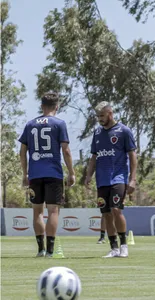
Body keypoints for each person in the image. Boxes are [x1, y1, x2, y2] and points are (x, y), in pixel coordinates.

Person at [18, 92, 76, 258]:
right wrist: (71, 172)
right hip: (53, 174)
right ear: (57, 106)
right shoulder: (59, 123)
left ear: (42, 106)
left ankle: (40, 250)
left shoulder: (30, 125)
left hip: (35, 174)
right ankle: (50, 251)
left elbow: (22, 152)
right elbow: (66, 150)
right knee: (53, 211)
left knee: (37, 212)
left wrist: (25, 174)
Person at [85, 102, 137, 258]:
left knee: (116, 209)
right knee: (106, 213)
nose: (99, 119)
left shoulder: (124, 131)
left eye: (102, 116)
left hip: (118, 177)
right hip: (102, 180)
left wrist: (132, 179)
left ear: (110, 113)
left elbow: (132, 156)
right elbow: (94, 157)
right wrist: (89, 175)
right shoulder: (98, 133)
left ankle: (124, 246)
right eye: (98, 116)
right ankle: (113, 247)